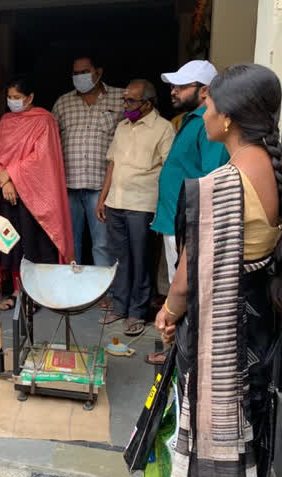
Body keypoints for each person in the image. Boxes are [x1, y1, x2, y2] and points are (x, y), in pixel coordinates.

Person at [155, 63, 282, 477]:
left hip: (221, 332)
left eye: (210, 105)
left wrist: (169, 313)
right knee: (244, 429)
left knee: (215, 432)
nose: (206, 113)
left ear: (229, 118)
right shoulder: (272, 171)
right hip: (256, 326)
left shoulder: (222, 184)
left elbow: (186, 277)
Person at [146, 60, 229, 365]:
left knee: (185, 291)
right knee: (178, 288)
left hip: (190, 224)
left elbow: (211, 178)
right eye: (173, 85)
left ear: (205, 90)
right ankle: (176, 352)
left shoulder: (210, 123)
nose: (173, 91)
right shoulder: (191, 120)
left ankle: (181, 357)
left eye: (182, 86)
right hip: (175, 221)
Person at [0, 75, 74, 311]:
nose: (13, 101)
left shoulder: (44, 120)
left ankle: (34, 294)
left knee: (33, 246)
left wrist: (10, 174)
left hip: (32, 198)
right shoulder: (6, 120)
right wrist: (4, 181)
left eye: (17, 97)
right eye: (10, 98)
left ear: (30, 97)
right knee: (11, 246)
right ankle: (15, 290)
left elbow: (42, 159)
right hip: (8, 197)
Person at [96, 80, 174, 336]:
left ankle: (137, 312)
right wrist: (103, 198)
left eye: (130, 101)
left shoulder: (163, 129)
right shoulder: (121, 127)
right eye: (125, 99)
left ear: (147, 103)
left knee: (142, 260)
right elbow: (112, 165)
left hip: (143, 205)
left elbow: (169, 169)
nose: (125, 104)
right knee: (120, 258)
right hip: (116, 202)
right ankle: (119, 305)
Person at [52, 54, 123, 271]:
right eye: (75, 73)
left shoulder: (120, 98)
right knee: (71, 242)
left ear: (98, 72)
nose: (79, 77)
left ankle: (106, 292)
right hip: (69, 186)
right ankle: (74, 289)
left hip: (102, 187)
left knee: (102, 243)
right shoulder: (63, 102)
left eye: (84, 72)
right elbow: (49, 140)